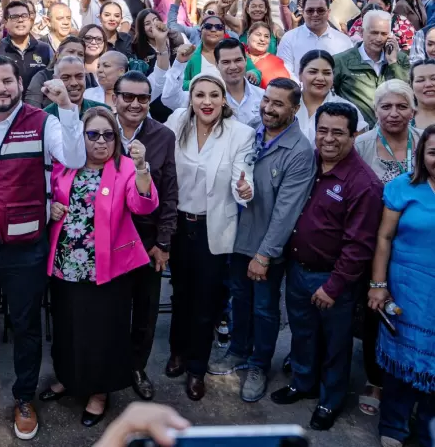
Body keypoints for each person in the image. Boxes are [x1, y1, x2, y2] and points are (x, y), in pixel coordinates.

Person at [0, 56, 85, 439]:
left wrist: (68, 108)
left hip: (26, 245)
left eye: (8, 81)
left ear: (20, 84)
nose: (1, 89)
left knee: (26, 325)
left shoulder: (45, 121)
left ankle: (24, 396)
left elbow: (74, 158)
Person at [41, 106, 157, 426]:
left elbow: (142, 203)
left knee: (103, 332)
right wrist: (50, 208)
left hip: (108, 268)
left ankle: (99, 391)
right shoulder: (65, 167)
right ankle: (68, 377)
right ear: (81, 138)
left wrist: (143, 167)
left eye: (108, 135)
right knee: (67, 326)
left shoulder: (126, 170)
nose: (101, 141)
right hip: (66, 264)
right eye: (93, 135)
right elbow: (46, 196)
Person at [272, 102, 383, 432]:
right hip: (298, 271)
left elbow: (360, 245)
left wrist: (334, 286)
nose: (329, 139)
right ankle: (303, 383)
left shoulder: (363, 183)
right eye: (323, 130)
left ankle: (329, 400)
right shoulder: (309, 164)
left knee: (335, 345)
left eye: (338, 132)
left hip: (333, 280)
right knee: (302, 334)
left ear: (354, 135)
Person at [210, 79, 316, 403]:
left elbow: (287, 211)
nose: (268, 108)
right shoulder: (252, 128)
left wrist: (265, 255)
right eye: (267, 100)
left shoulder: (300, 152)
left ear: (295, 109)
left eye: (278, 104)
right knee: (239, 299)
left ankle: (259, 364)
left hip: (265, 247)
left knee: (265, 308)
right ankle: (239, 350)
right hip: (237, 238)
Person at [162, 73, 254, 401]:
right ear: (191, 98)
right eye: (200, 95)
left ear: (224, 99)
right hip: (177, 226)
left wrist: (245, 189)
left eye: (214, 95)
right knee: (180, 294)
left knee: (206, 300)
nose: (207, 102)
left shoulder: (240, 134)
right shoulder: (177, 122)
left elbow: (243, 175)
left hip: (211, 228)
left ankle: (197, 368)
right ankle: (177, 351)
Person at [109, 72, 178, 401]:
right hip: (107, 237)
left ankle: (137, 366)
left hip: (147, 238)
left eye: (142, 98)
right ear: (115, 98)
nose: (135, 104)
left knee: (146, 308)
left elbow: (170, 192)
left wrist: (164, 242)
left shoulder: (163, 136)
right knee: (111, 308)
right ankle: (110, 367)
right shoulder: (99, 130)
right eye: (128, 97)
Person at [353, 79, 419, 414]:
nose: (394, 114)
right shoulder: (362, 144)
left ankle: (411, 377)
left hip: (414, 247)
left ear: (413, 109)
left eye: (401, 106)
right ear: (375, 110)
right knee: (374, 311)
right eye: (386, 106)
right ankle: (375, 379)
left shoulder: (423, 143)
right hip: (370, 242)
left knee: (411, 312)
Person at [368, 125, 435, 447]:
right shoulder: (403, 187)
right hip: (407, 288)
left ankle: (427, 427)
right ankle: (394, 425)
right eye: (433, 152)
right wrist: (378, 284)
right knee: (401, 356)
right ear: (422, 153)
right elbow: (383, 237)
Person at [161, 38, 264, 128]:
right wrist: (179, 63)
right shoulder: (206, 96)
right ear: (216, 65)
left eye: (238, 60)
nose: (233, 67)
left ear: (245, 61)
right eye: (226, 62)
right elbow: (170, 98)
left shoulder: (263, 96)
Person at [334, 10, 410, 127]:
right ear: (362, 32)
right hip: (355, 132)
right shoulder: (341, 61)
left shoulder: (400, 59)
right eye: (374, 33)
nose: (379, 39)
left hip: (393, 130)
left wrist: (393, 63)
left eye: (384, 34)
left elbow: (407, 94)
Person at [295, 49, 367, 144]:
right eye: (313, 72)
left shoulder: (347, 109)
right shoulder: (288, 104)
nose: (320, 78)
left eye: (327, 73)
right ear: (300, 75)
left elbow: (359, 148)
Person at [277, 0, 352, 78]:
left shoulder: (344, 41)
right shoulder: (289, 38)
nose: (315, 14)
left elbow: (348, 73)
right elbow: (286, 71)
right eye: (310, 11)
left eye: (320, 10)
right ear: (303, 12)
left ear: (328, 12)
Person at [244, 22, 290, 87]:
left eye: (266, 36)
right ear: (248, 36)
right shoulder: (238, 52)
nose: (262, 39)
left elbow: (286, 86)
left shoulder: (275, 62)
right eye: (258, 34)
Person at [411, 59, 435, 129]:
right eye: (420, 80)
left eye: (434, 79)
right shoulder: (401, 119)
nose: (428, 84)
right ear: (411, 86)